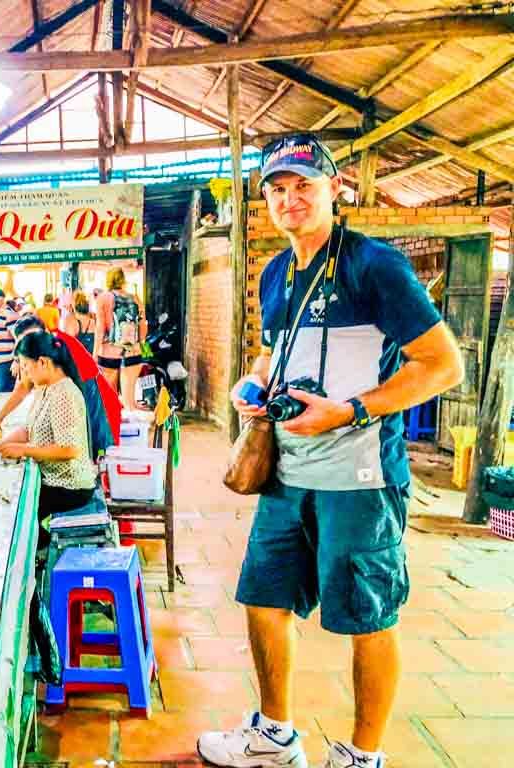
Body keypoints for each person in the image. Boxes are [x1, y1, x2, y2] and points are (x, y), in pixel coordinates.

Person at [197, 134, 464, 768]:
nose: (290, 199)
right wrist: (252, 383)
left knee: (366, 615)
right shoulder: (273, 273)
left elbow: (443, 365)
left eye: (304, 186)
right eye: (278, 189)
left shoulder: (374, 267)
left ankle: (362, 756)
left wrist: (349, 410)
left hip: (361, 474)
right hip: (288, 469)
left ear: (335, 191)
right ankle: (274, 735)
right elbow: (271, 350)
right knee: (263, 599)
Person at [0, 332, 96, 535]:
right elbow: (29, 429)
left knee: (12, 506)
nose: (25, 375)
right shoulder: (45, 388)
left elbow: (69, 450)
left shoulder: (64, 393)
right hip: (54, 479)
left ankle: (36, 552)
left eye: (26, 367)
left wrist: (23, 450)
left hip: (71, 486)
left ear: (43, 363)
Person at [0, 315, 119, 459]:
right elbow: (24, 385)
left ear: (45, 333)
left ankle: (100, 469)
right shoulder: (30, 351)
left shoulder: (60, 347)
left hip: (88, 388)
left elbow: (69, 446)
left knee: (94, 441)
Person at [96, 267, 147, 410]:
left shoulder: (103, 298)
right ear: (123, 279)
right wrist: (141, 346)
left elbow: (100, 329)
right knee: (130, 402)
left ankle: (114, 431)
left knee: (110, 401)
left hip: (109, 352)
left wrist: (95, 353)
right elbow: (143, 326)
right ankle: (134, 430)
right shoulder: (135, 298)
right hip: (133, 351)